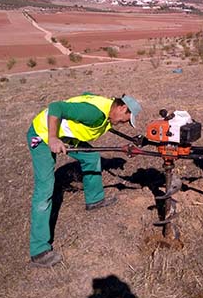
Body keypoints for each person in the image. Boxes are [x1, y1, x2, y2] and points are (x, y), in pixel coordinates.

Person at [26, 93, 142, 268]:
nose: (125, 123)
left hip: (62, 134)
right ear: (122, 108)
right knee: (45, 190)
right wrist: (53, 138)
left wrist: (125, 144)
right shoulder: (94, 112)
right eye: (127, 119)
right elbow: (56, 106)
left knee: (91, 156)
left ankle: (94, 200)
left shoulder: (106, 109)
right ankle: (39, 251)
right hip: (42, 135)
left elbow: (86, 99)